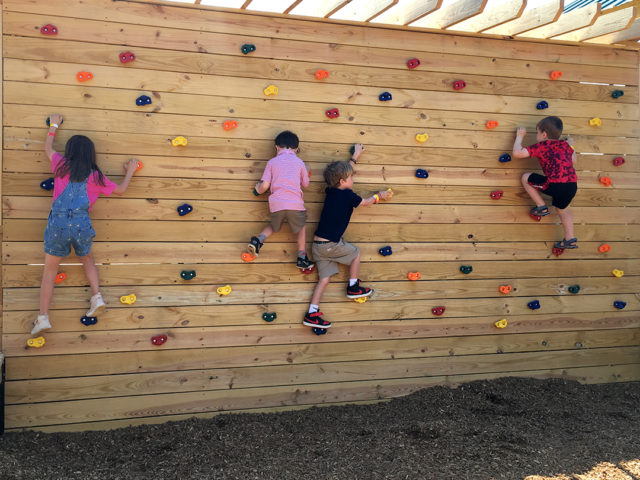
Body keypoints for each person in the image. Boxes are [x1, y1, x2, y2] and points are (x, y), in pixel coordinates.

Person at [31, 113, 139, 335]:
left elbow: (48, 148)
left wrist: (53, 125)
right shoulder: (96, 176)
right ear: (91, 154)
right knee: (87, 260)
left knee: (50, 272)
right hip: (81, 225)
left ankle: (42, 318)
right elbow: (120, 190)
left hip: (58, 226)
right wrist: (130, 171)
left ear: (70, 152)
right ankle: (97, 296)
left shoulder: (61, 166)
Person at [303, 144, 392, 329]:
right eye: (351, 177)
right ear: (343, 181)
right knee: (356, 253)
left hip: (318, 246)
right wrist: (379, 196)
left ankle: (312, 312)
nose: (353, 179)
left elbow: (344, 171)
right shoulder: (347, 196)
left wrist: (355, 156)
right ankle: (353, 287)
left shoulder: (331, 191)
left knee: (324, 279)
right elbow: (365, 203)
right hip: (330, 245)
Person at [247, 131, 314, 271]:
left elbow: (264, 186)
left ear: (277, 147)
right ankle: (302, 257)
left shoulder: (272, 162)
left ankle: (258, 240)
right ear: (296, 149)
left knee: (274, 226)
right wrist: (307, 172)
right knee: (301, 227)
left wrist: (257, 189)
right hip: (295, 204)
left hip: (276, 204)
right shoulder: (300, 162)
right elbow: (306, 184)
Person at [512, 116, 578, 249]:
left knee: (526, 177)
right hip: (571, 186)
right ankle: (570, 239)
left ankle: (541, 206)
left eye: (537, 132)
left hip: (555, 184)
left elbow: (517, 153)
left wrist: (520, 136)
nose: (537, 135)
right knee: (563, 211)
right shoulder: (565, 145)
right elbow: (573, 161)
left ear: (544, 134)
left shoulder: (542, 146)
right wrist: (571, 145)